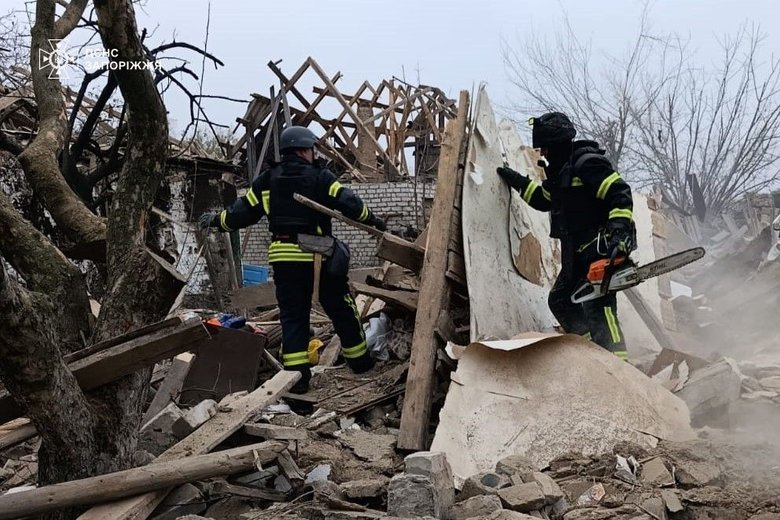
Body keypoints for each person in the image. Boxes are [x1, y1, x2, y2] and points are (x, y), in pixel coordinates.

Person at [200, 126, 387, 392]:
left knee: (293, 317)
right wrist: (375, 221)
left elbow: (241, 213)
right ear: (305, 150)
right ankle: (360, 363)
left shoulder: (267, 180)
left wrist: (216, 222)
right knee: (341, 307)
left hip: (284, 259)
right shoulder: (321, 177)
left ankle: (297, 381)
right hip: (320, 258)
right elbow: (350, 203)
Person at [495, 112, 636, 360]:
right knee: (561, 300)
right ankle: (591, 355)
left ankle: (620, 365)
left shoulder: (587, 164)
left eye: (546, 148)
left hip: (601, 249)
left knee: (598, 308)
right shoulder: (562, 173)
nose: (543, 154)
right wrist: (517, 181)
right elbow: (544, 200)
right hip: (576, 254)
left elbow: (619, 193)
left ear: (557, 143)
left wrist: (620, 234)